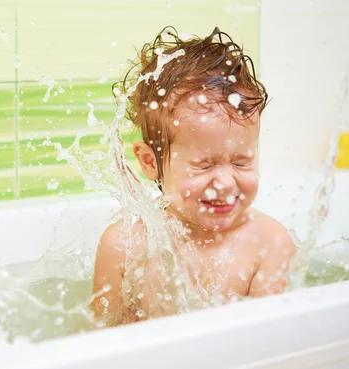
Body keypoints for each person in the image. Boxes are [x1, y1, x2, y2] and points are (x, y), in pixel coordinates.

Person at [91, 26, 296, 326]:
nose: (226, 182)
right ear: (151, 162)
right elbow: (100, 342)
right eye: (204, 165)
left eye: (242, 162)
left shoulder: (269, 244)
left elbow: (269, 343)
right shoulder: (123, 247)